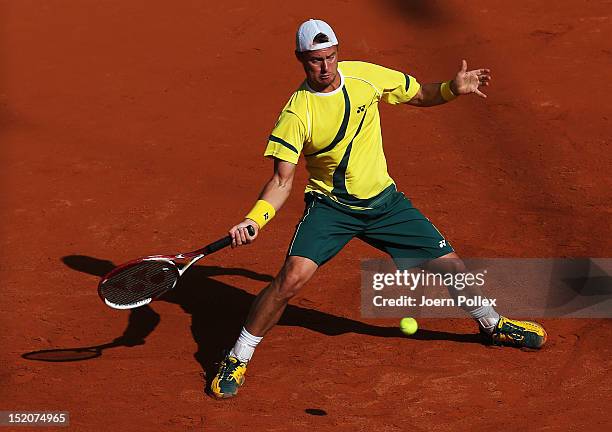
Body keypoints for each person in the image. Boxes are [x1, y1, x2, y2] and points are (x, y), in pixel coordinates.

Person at [210, 19, 547, 399]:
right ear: (301, 59)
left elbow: (419, 94)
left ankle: (492, 325)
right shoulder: (296, 114)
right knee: (291, 278)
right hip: (331, 208)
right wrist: (255, 219)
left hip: (385, 203)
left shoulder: (366, 77)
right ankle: (238, 356)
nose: (326, 68)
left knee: (451, 267)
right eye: (316, 61)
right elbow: (282, 181)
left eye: (331, 57)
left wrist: (454, 89)